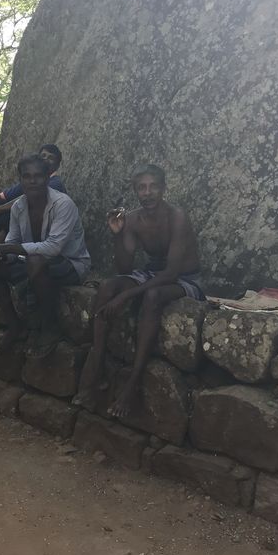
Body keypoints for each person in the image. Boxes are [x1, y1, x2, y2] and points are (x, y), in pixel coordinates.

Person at [73, 164, 204, 418]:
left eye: (153, 186)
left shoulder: (177, 216)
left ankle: (133, 383)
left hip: (185, 279)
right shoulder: (132, 218)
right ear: (136, 192)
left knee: (152, 296)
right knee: (108, 286)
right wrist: (117, 235)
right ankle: (96, 367)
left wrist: (127, 295)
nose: (148, 193)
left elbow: (172, 273)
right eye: (142, 188)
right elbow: (124, 267)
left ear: (163, 189)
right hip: (152, 273)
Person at [0, 154, 90, 358]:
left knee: (35, 260)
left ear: (48, 178)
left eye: (38, 176)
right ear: (20, 179)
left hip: (71, 264)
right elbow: (13, 241)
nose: (32, 181)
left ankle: (49, 327)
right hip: (33, 262)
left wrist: (6, 250)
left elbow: (52, 248)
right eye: (27, 176)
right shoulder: (19, 206)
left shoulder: (63, 204)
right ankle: (13, 325)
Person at [0, 144, 66, 243]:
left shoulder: (56, 183)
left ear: (57, 165)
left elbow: (30, 201)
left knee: (17, 210)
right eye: (43, 156)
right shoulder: (31, 179)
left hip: (42, 224)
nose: (45, 160)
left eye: (51, 158)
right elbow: (0, 196)